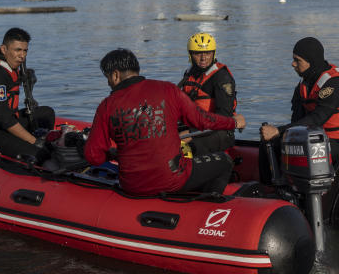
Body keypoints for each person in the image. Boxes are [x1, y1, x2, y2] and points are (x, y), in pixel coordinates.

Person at [84, 48, 246, 196]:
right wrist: (232, 122)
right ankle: (203, 207)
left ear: (115, 75)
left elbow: (93, 156)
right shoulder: (167, 89)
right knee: (225, 161)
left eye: (108, 78)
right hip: (173, 178)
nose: (108, 83)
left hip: (132, 185)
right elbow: (202, 119)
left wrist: (114, 154)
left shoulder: (106, 106)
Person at [260, 36, 339, 167]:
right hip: (317, 138)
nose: (293, 64)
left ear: (311, 61)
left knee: (305, 149)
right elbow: (297, 122)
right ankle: (270, 185)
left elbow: (317, 119)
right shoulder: (303, 86)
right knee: (269, 143)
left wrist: (278, 130)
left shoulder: (335, 84)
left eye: (297, 60)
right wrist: (279, 136)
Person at [0, 27, 56, 159]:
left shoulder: (8, 64)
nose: (22, 55)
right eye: (17, 50)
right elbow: (4, 118)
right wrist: (35, 142)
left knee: (47, 113)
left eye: (25, 51)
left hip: (2, 123)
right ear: (4, 49)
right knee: (39, 154)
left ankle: (41, 142)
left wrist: (28, 80)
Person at [177, 32, 237, 155]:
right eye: (198, 53)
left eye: (208, 53)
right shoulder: (190, 74)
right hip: (194, 128)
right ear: (190, 55)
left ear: (213, 53)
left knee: (181, 148)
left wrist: (190, 133)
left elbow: (224, 117)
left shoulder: (221, 77)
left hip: (218, 132)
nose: (203, 58)